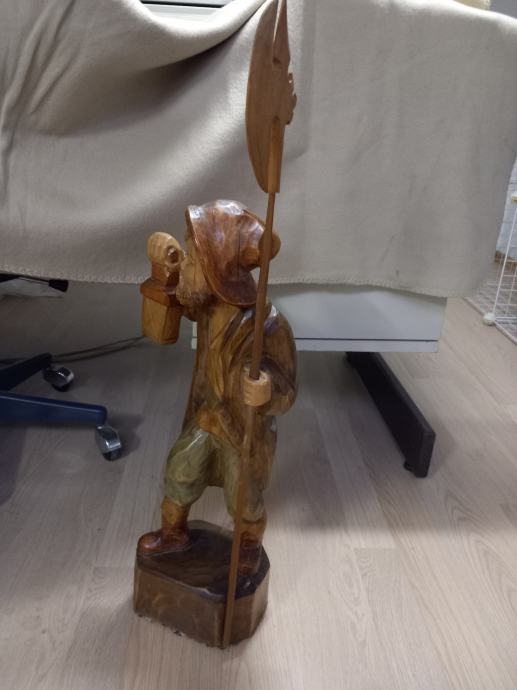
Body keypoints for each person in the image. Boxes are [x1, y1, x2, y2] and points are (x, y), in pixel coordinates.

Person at [137, 199, 297, 575]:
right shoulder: (208, 306)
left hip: (242, 429)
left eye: (193, 257)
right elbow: (162, 324)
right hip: (207, 417)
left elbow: (288, 388)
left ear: (218, 272)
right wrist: (163, 270)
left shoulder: (269, 326)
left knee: (243, 496)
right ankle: (173, 533)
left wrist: (268, 390)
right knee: (180, 469)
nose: (186, 263)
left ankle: (249, 545)